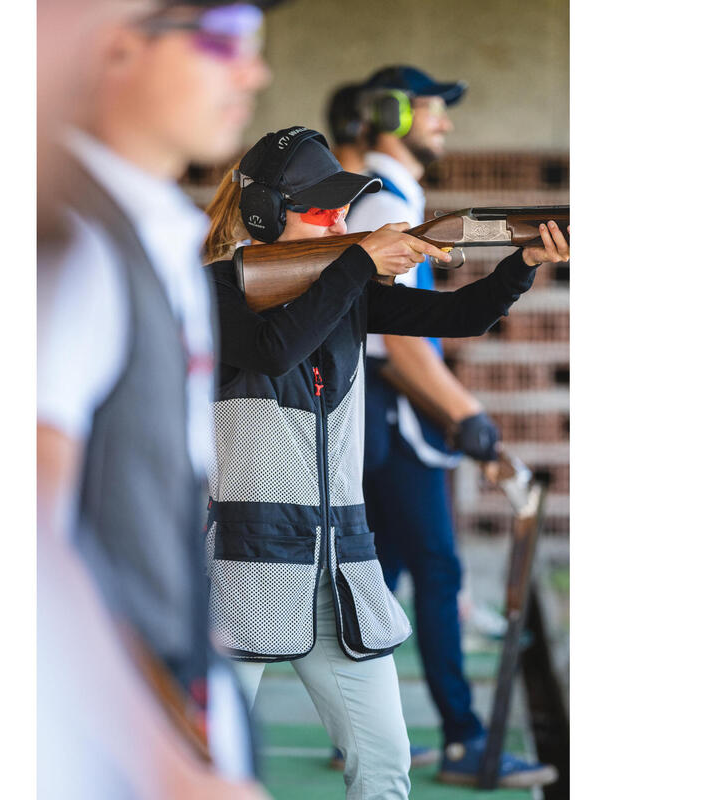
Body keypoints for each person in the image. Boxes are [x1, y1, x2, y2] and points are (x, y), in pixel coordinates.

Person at [201, 124, 567, 799]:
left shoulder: (347, 292)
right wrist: (359, 264)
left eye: (344, 208)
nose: (340, 220)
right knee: (202, 768)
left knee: (385, 765)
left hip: (340, 574)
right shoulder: (217, 291)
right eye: (320, 209)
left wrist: (521, 263)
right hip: (241, 576)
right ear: (265, 214)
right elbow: (274, 348)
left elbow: (463, 316)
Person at [37, 2, 278, 797]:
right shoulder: (70, 241)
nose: (253, 71)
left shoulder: (150, 228)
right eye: (221, 39)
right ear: (115, 47)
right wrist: (170, 769)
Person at [343, 64, 559, 788]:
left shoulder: (393, 196)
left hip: (390, 411)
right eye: (435, 110)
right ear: (394, 115)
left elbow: (433, 326)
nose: (447, 124)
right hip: (393, 412)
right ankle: (466, 739)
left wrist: (519, 262)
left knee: (388, 572)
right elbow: (401, 346)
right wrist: (472, 424)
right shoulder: (383, 206)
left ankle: (358, 736)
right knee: (435, 570)